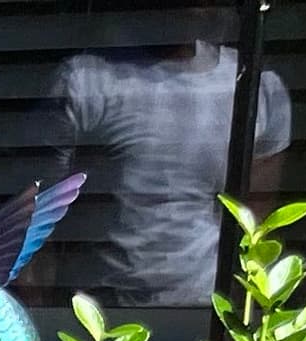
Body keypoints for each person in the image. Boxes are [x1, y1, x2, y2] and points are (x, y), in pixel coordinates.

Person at [41, 36, 288, 308]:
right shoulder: (86, 79)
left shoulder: (256, 86)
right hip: (98, 308)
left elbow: (256, 224)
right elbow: (36, 214)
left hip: (206, 310)